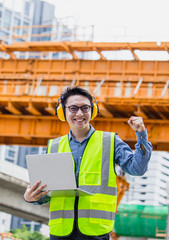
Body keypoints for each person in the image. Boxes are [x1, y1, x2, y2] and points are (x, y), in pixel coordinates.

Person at [23, 86, 152, 240]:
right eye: (73, 108)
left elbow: (137, 169)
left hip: (96, 232)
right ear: (62, 112)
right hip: (60, 232)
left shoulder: (110, 142)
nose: (79, 113)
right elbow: (49, 191)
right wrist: (32, 197)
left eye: (85, 108)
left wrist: (141, 135)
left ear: (93, 110)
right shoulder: (54, 146)